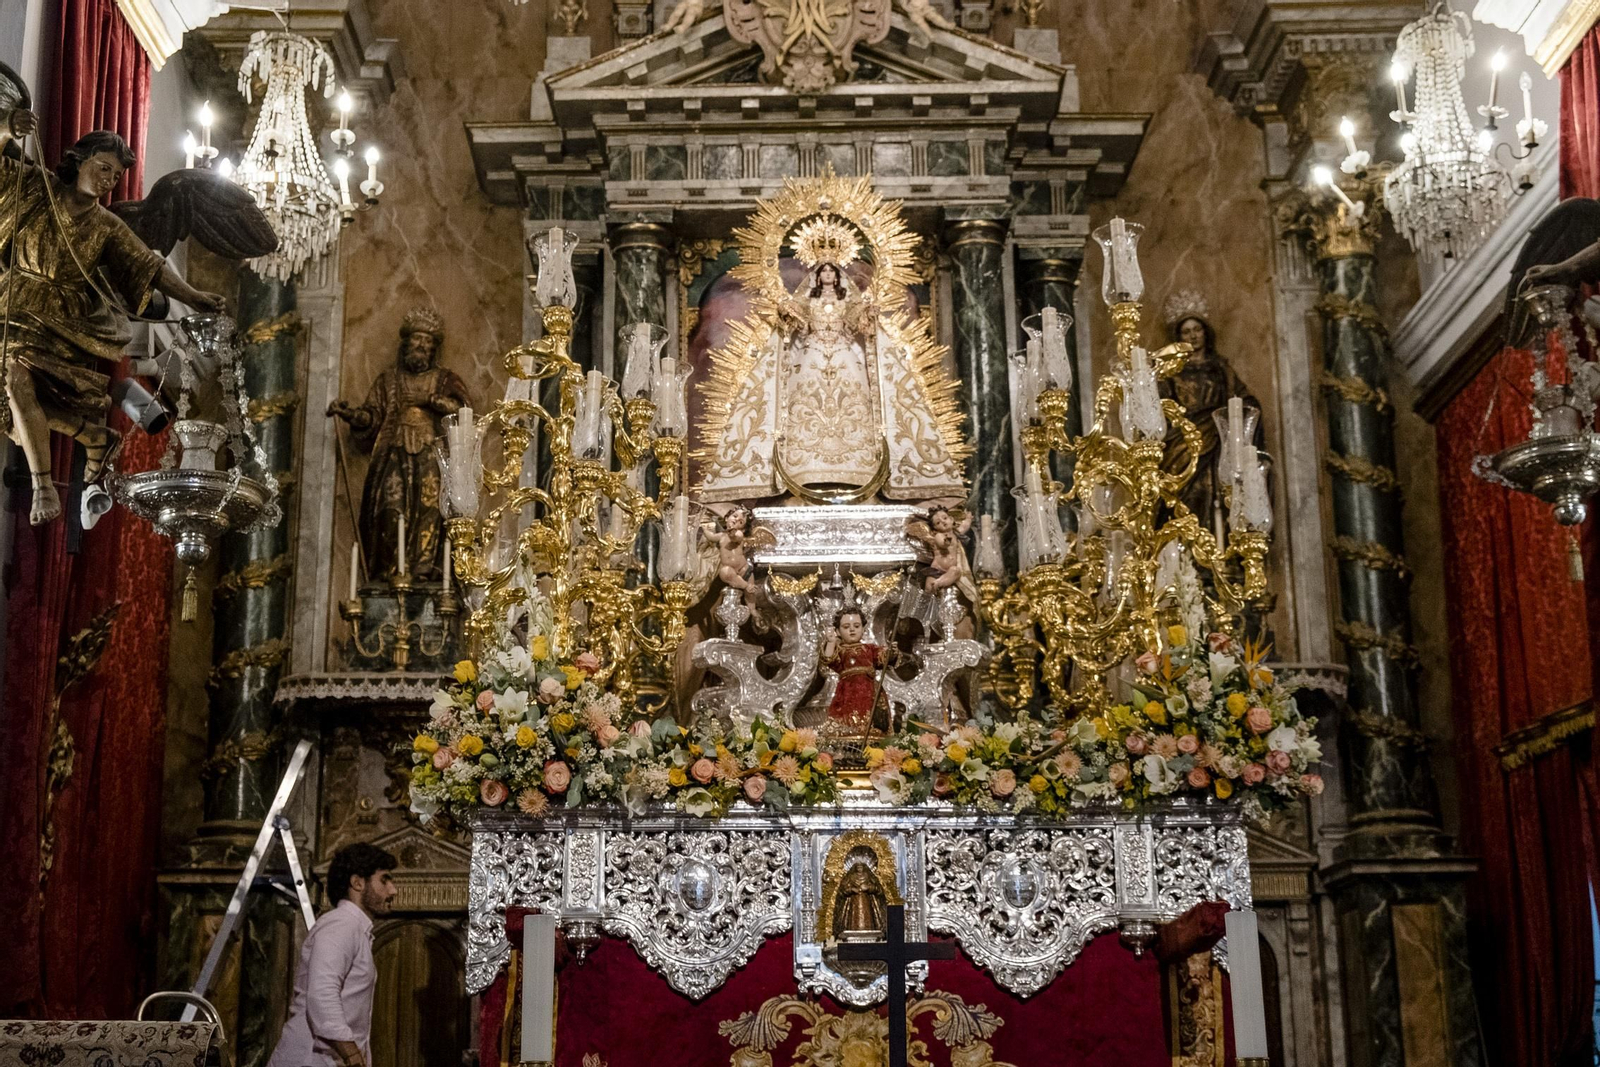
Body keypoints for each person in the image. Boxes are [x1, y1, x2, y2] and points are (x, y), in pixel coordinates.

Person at [0, 108, 225, 524]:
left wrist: (193, 296)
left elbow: (149, 267)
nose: (108, 181)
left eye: (115, 177)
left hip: (61, 319)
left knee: (15, 378)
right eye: (102, 168)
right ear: (78, 160)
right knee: (8, 405)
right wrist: (7, 128)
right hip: (14, 302)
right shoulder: (37, 188)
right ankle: (92, 436)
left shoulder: (107, 226)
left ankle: (42, 486)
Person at [328, 307, 470, 582]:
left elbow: (464, 413)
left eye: (427, 341)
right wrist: (351, 415)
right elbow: (372, 416)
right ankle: (391, 570)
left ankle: (422, 573)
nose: (421, 345)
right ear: (406, 343)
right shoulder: (389, 380)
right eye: (416, 339)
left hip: (431, 453)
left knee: (430, 508)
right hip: (393, 451)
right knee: (391, 509)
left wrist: (435, 402)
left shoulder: (444, 379)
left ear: (433, 349)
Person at [267, 843, 398, 1067]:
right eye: (384, 880)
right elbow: (322, 994)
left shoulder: (355, 928)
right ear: (357, 883)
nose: (393, 890)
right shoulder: (341, 924)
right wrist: (353, 1056)